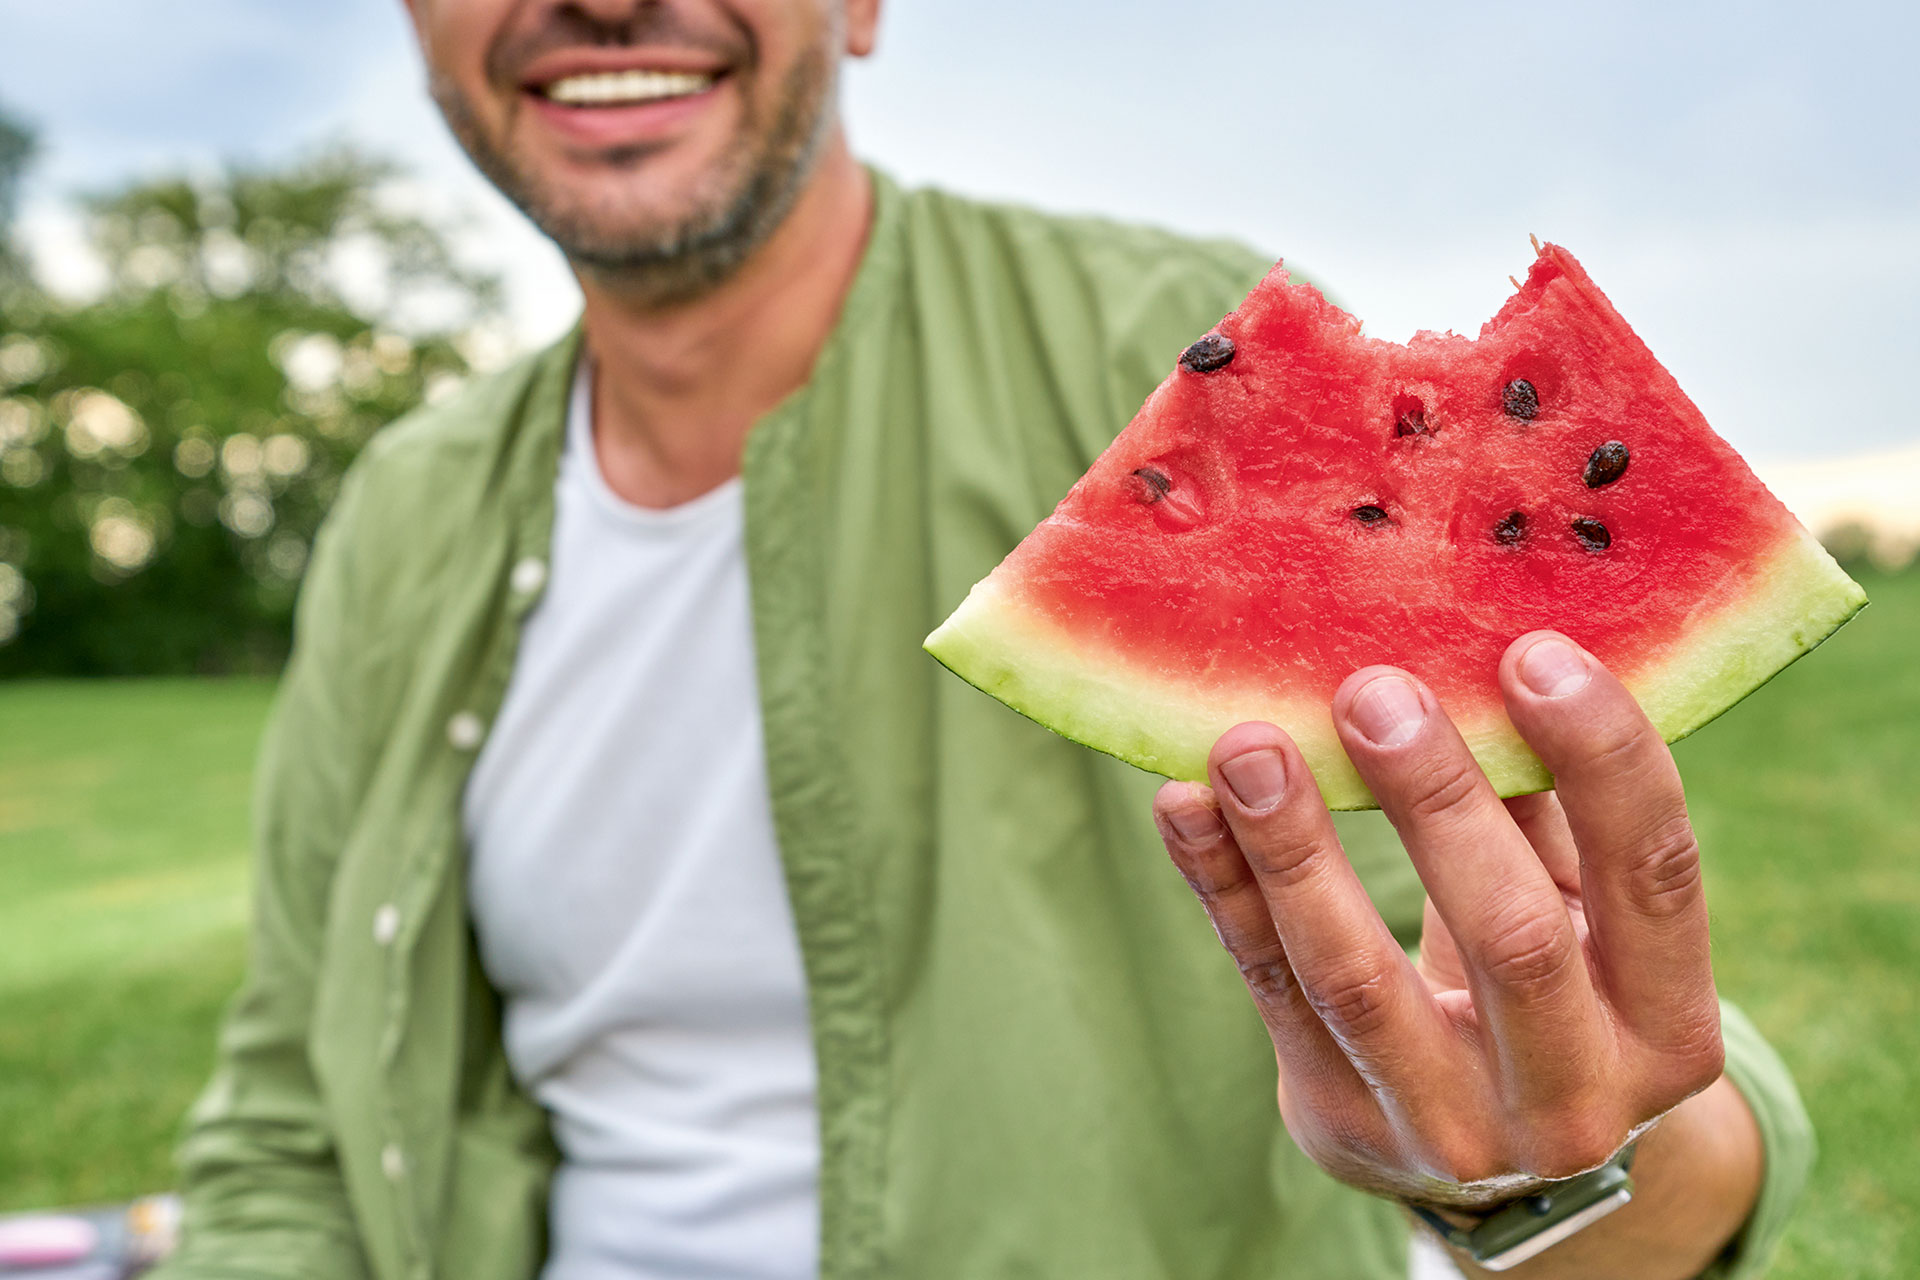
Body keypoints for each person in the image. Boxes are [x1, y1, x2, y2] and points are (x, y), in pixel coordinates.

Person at [152, 2, 1812, 1278]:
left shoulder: (1157, 365)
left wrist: (1557, 1157)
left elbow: (1583, 1057)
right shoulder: (405, 514)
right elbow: (290, 1124)